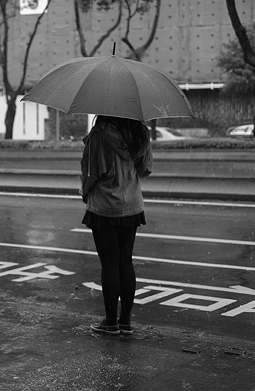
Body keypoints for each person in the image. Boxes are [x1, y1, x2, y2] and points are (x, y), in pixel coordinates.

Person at [79, 115, 153, 335]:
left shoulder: (99, 135)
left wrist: (85, 193)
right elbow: (144, 169)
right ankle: (125, 321)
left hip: (104, 206)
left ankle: (110, 321)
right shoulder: (139, 132)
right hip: (131, 203)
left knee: (110, 263)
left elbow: (90, 173)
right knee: (125, 261)